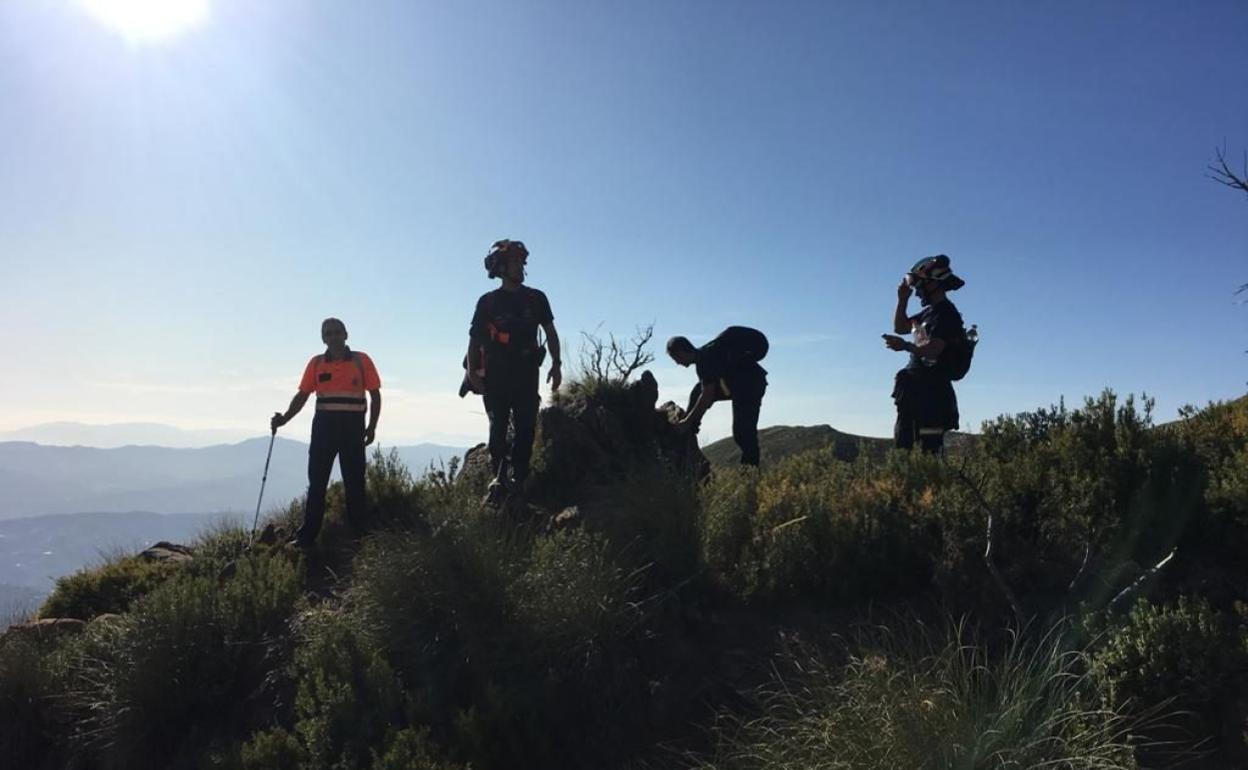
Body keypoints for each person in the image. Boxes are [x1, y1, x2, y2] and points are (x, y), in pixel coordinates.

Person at [464, 239, 562, 503]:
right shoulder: (487, 302)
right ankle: (499, 476)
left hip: (527, 372)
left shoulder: (536, 298)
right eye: (514, 263)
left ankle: (519, 477)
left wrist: (557, 364)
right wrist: (473, 371)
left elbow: (551, 332)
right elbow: (474, 339)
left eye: (521, 262)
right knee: (497, 426)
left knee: (526, 427)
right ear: (500, 268)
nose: (519, 267)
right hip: (496, 374)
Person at [271, 317, 381, 546]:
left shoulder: (362, 361)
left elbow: (375, 395)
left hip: (353, 429)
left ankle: (360, 535)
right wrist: (285, 418)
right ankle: (307, 537)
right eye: (328, 333)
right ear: (323, 338)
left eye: (337, 332)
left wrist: (372, 427)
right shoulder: (316, 363)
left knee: (355, 483)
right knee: (317, 483)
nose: (333, 336)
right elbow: (302, 395)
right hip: (324, 429)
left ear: (345, 334)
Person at [883, 254, 966, 453]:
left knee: (927, 450)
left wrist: (905, 347)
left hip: (932, 397)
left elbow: (933, 350)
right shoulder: (930, 313)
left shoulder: (947, 315)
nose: (918, 291)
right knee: (905, 446)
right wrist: (902, 300)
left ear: (934, 284)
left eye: (920, 285)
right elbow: (901, 326)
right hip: (915, 393)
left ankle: (929, 482)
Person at [667, 326, 769, 466]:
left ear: (682, 352)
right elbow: (704, 392)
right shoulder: (706, 356)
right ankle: (690, 429)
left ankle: (750, 474)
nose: (677, 363)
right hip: (744, 385)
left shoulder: (705, 359)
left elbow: (707, 396)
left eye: (676, 358)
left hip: (750, 388)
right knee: (698, 390)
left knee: (743, 433)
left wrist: (686, 422)